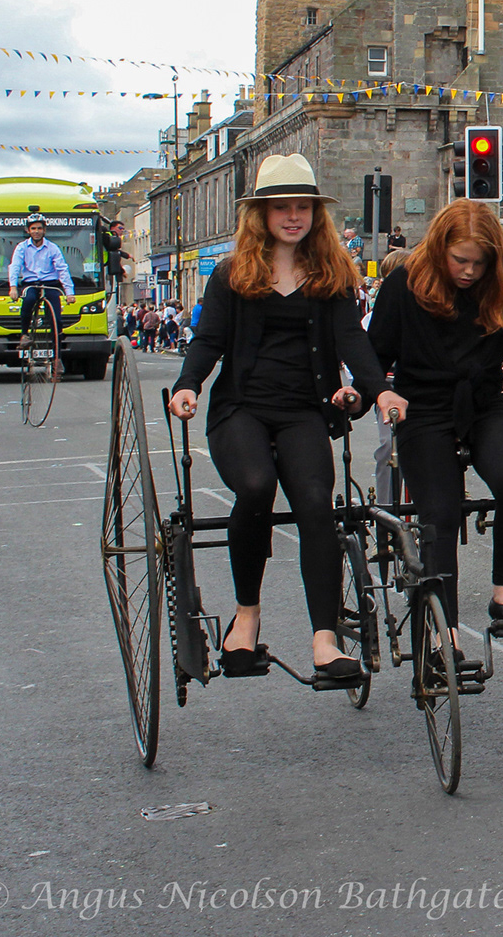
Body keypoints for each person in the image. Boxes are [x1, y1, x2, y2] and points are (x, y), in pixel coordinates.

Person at [166, 154, 385, 682]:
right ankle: (245, 617)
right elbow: (209, 341)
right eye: (281, 207)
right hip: (240, 409)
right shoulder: (231, 274)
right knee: (257, 487)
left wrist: (379, 391)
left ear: (316, 212)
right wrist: (187, 385)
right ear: (260, 214)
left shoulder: (331, 274)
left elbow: (352, 339)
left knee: (315, 504)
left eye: (303, 206)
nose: (293, 216)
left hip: (303, 411)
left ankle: (325, 640)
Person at [369, 200, 503, 662]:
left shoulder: (496, 287)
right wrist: (375, 392)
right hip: (424, 410)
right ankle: (446, 633)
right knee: (439, 513)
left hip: (483, 405)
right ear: (440, 250)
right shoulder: (404, 283)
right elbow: (375, 352)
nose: (470, 271)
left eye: (480, 262)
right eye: (461, 260)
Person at [8, 211, 73, 349]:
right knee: (28, 301)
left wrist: (69, 292)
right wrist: (13, 287)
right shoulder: (22, 247)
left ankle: (58, 357)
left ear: (44, 230)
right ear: (28, 230)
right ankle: (25, 335)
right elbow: (15, 266)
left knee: (56, 318)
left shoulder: (52, 248)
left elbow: (62, 269)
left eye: (39, 228)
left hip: (50, 284)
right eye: (33, 228)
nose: (36, 231)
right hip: (31, 283)